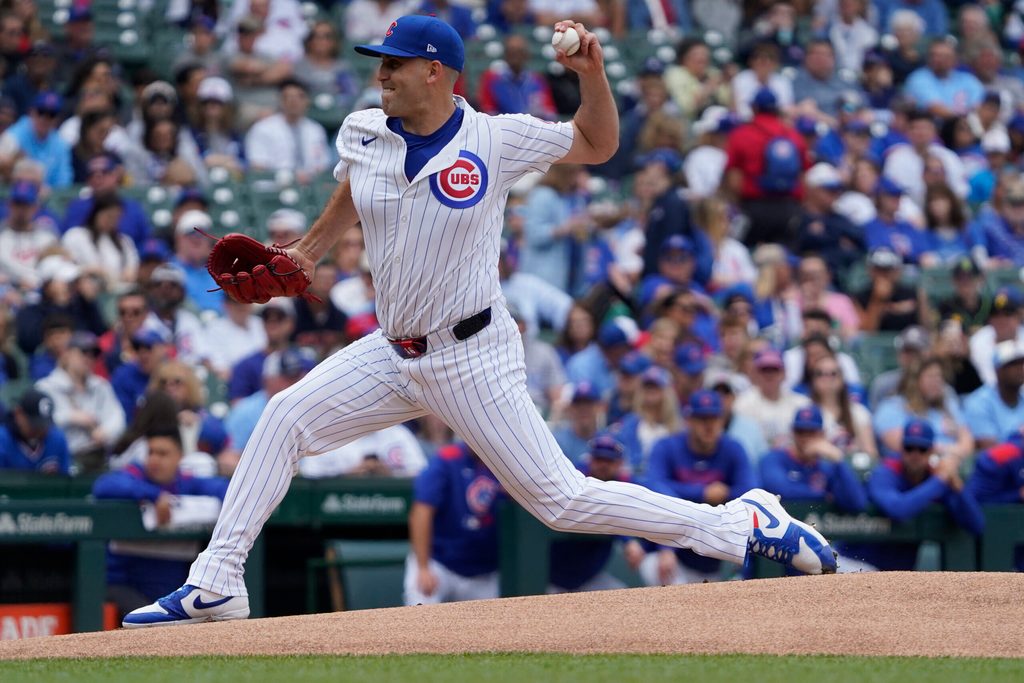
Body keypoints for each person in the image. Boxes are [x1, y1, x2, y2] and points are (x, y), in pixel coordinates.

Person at [123, 16, 836, 628]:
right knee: (283, 418)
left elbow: (597, 145)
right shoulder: (364, 131)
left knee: (562, 500)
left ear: (437, 72)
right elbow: (350, 190)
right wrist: (308, 251)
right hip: (392, 352)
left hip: (472, 355)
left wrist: (592, 73)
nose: (382, 75)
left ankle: (743, 523)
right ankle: (216, 582)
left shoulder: (495, 139)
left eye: (395, 64)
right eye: (381, 64)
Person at [92, 429, 229, 619]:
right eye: (151, 452)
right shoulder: (136, 474)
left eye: (163, 453)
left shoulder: (186, 482)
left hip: (171, 588)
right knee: (154, 620)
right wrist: (154, 495)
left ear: (179, 457)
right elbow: (103, 485)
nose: (154, 459)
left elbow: (225, 489)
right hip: (124, 585)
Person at [640, 391, 756, 585]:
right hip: (673, 557)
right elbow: (652, 485)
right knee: (653, 567)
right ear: (689, 420)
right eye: (701, 418)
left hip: (719, 560)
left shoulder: (733, 448)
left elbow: (752, 492)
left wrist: (725, 493)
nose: (709, 425)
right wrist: (702, 493)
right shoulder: (667, 446)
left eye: (714, 418)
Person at [864, 418, 984, 571]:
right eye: (909, 448)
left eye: (922, 449)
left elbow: (976, 524)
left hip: (900, 576)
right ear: (901, 448)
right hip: (859, 562)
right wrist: (940, 480)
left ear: (932, 450)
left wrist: (957, 486)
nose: (915, 454)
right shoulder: (886, 471)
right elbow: (898, 510)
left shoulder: (934, 477)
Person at [404, 441, 503, 605]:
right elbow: (421, 512)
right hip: (439, 563)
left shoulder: (508, 464)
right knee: (419, 614)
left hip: (484, 571)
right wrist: (423, 567)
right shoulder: (447, 458)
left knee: (493, 627)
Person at [549, 435, 634, 593]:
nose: (603, 465)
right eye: (598, 459)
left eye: (609, 461)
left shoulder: (624, 485)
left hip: (590, 579)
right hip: (551, 578)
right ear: (590, 460)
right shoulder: (575, 478)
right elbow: (601, 508)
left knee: (626, 599)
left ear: (619, 463)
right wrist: (627, 539)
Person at [35, 331, 125, 473]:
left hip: (100, 457)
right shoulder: (46, 386)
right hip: (64, 460)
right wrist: (71, 417)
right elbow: (37, 423)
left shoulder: (101, 386)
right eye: (83, 352)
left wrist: (106, 432)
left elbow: (117, 417)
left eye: (94, 354)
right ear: (67, 353)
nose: (88, 358)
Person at [244, 79, 331, 183]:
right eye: (288, 97)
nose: (294, 101)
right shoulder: (262, 128)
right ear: (280, 100)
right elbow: (258, 167)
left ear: (307, 100)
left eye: (300, 96)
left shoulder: (316, 130)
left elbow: (322, 166)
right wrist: (292, 177)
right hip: (274, 188)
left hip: (309, 188)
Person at [963, 340, 1024, 451]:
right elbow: (991, 451)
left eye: (1022, 363)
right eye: (1012, 364)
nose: (1020, 369)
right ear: (998, 370)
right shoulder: (979, 402)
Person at [0, 388, 70, 474]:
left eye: (44, 425)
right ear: (18, 414)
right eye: (34, 425)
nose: (40, 430)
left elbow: (65, 482)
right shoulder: (3, 440)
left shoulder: (58, 439)